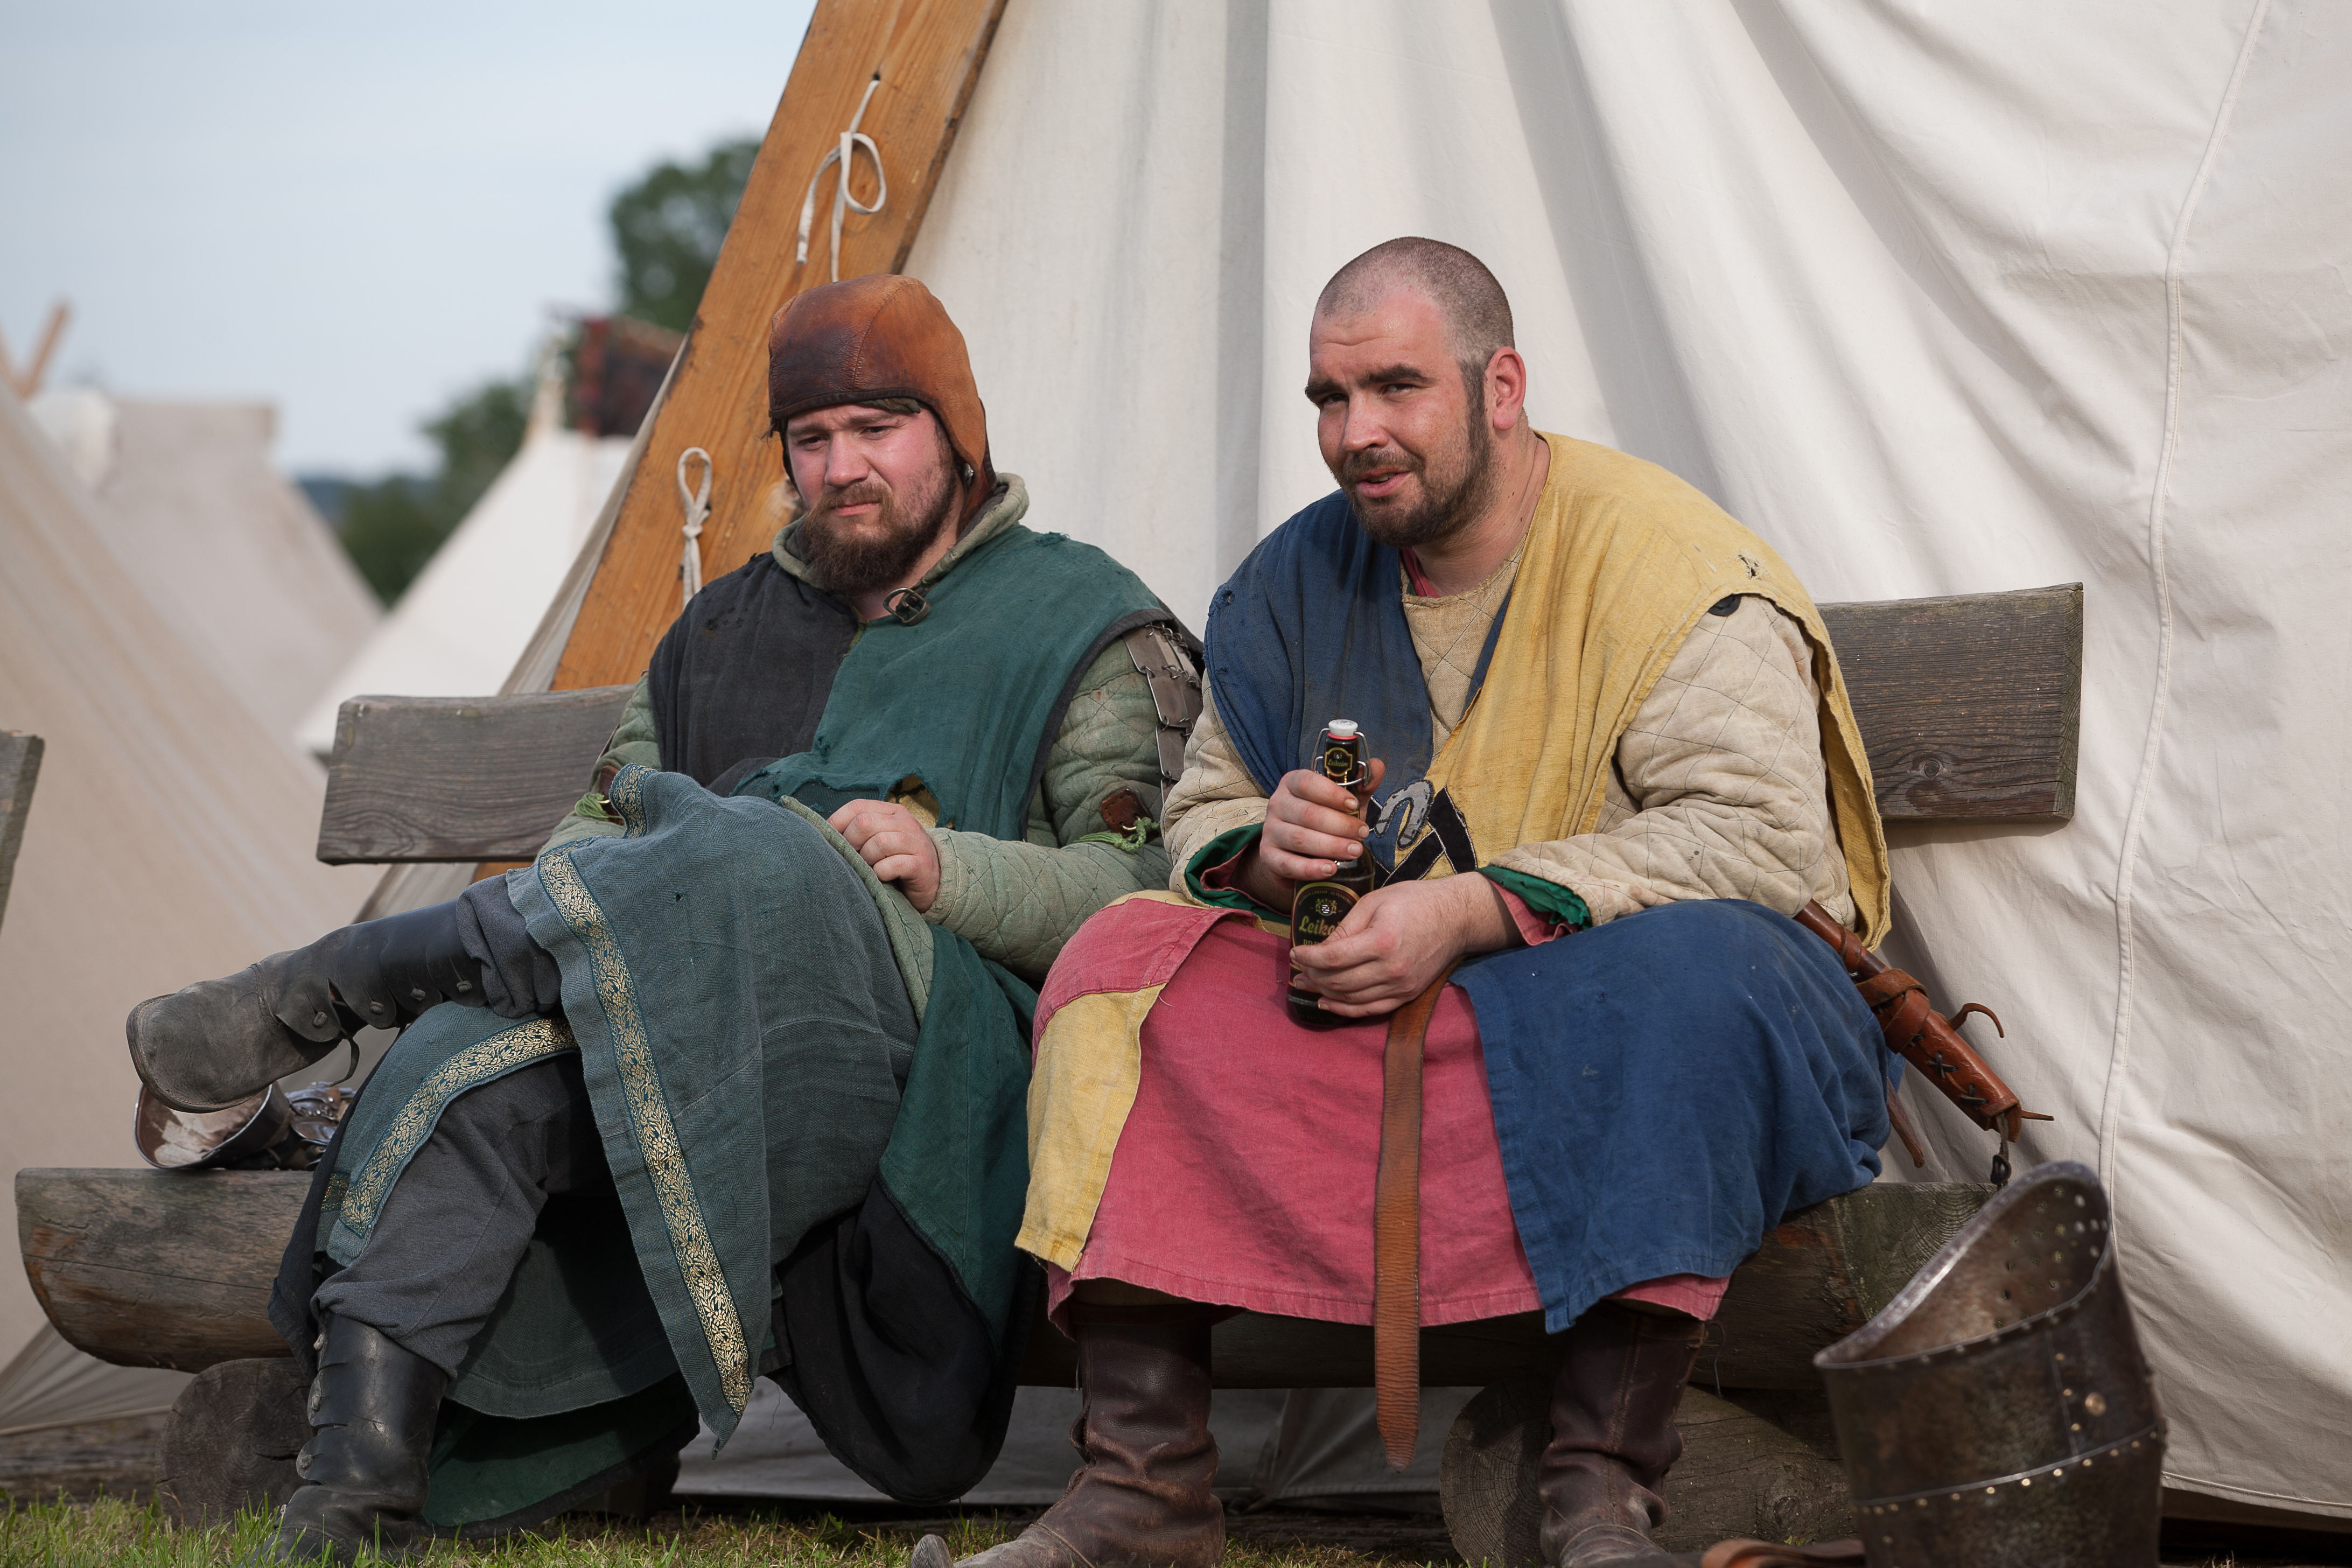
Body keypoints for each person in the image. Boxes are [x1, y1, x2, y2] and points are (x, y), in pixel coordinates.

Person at [125, 275, 1198, 1563]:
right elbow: (600, 832)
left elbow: (1143, 893)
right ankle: (354, 1497)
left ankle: (323, 988)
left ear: (959, 433)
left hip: (919, 1069)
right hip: (684, 1031)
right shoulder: (722, 627)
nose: (841, 467)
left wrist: (947, 864)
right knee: (468, 1061)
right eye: (811, 439)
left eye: (877, 429)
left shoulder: (1082, 621)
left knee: (767, 846)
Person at [940, 240, 1897, 1568]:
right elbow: (1202, 811)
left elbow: (1764, 844)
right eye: (1330, 399)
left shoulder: (1674, 570)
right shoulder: (1291, 582)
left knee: (1704, 980)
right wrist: (1265, 852)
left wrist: (1473, 912)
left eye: (1397, 388)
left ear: (1501, 388)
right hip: (1380, 1043)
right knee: (1123, 960)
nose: (1356, 434)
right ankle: (1141, 1494)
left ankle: (1599, 1498)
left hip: (1599, 1038)